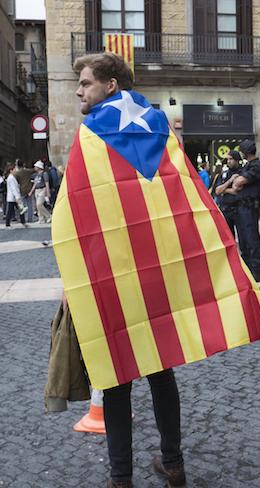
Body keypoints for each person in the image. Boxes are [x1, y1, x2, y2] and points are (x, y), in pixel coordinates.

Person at [72, 52, 185, 488]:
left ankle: (121, 479)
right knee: (161, 369)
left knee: (115, 375)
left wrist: (74, 278)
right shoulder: (160, 127)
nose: (80, 91)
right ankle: (173, 464)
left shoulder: (91, 132)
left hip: (110, 270)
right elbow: (181, 196)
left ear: (111, 86)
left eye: (85, 83)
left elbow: (80, 210)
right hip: (156, 267)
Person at [232, 139, 260, 282]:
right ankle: (248, 269)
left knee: (251, 238)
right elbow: (236, 185)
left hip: (250, 207)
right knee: (243, 240)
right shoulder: (248, 166)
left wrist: (238, 181)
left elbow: (239, 182)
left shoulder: (258, 166)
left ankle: (256, 272)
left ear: (245, 152)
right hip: (242, 207)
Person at [214, 150, 244, 239]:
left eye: (231, 159)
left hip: (239, 208)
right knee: (228, 237)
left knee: (243, 237)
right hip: (226, 208)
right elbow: (217, 191)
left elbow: (237, 190)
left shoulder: (242, 172)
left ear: (237, 160)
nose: (228, 161)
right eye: (227, 159)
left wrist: (224, 190)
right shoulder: (225, 174)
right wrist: (230, 181)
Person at [4, 161, 28, 228]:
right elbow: (14, 188)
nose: (16, 170)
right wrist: (17, 197)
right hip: (13, 197)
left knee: (20, 209)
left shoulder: (11, 177)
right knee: (13, 210)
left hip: (13, 197)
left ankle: (22, 222)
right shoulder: (11, 178)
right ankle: (8, 224)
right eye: (14, 169)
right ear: (11, 171)